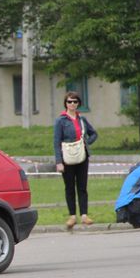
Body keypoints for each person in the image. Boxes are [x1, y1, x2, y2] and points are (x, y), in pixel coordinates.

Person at [53, 91, 98, 229]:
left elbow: (94, 134)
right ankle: (72, 215)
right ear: (65, 103)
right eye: (69, 101)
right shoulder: (61, 121)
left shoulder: (82, 119)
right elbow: (56, 142)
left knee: (82, 186)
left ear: (78, 103)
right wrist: (59, 161)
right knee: (69, 187)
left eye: (75, 101)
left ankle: (84, 214)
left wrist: (86, 142)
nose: (72, 104)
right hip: (67, 157)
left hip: (82, 156)